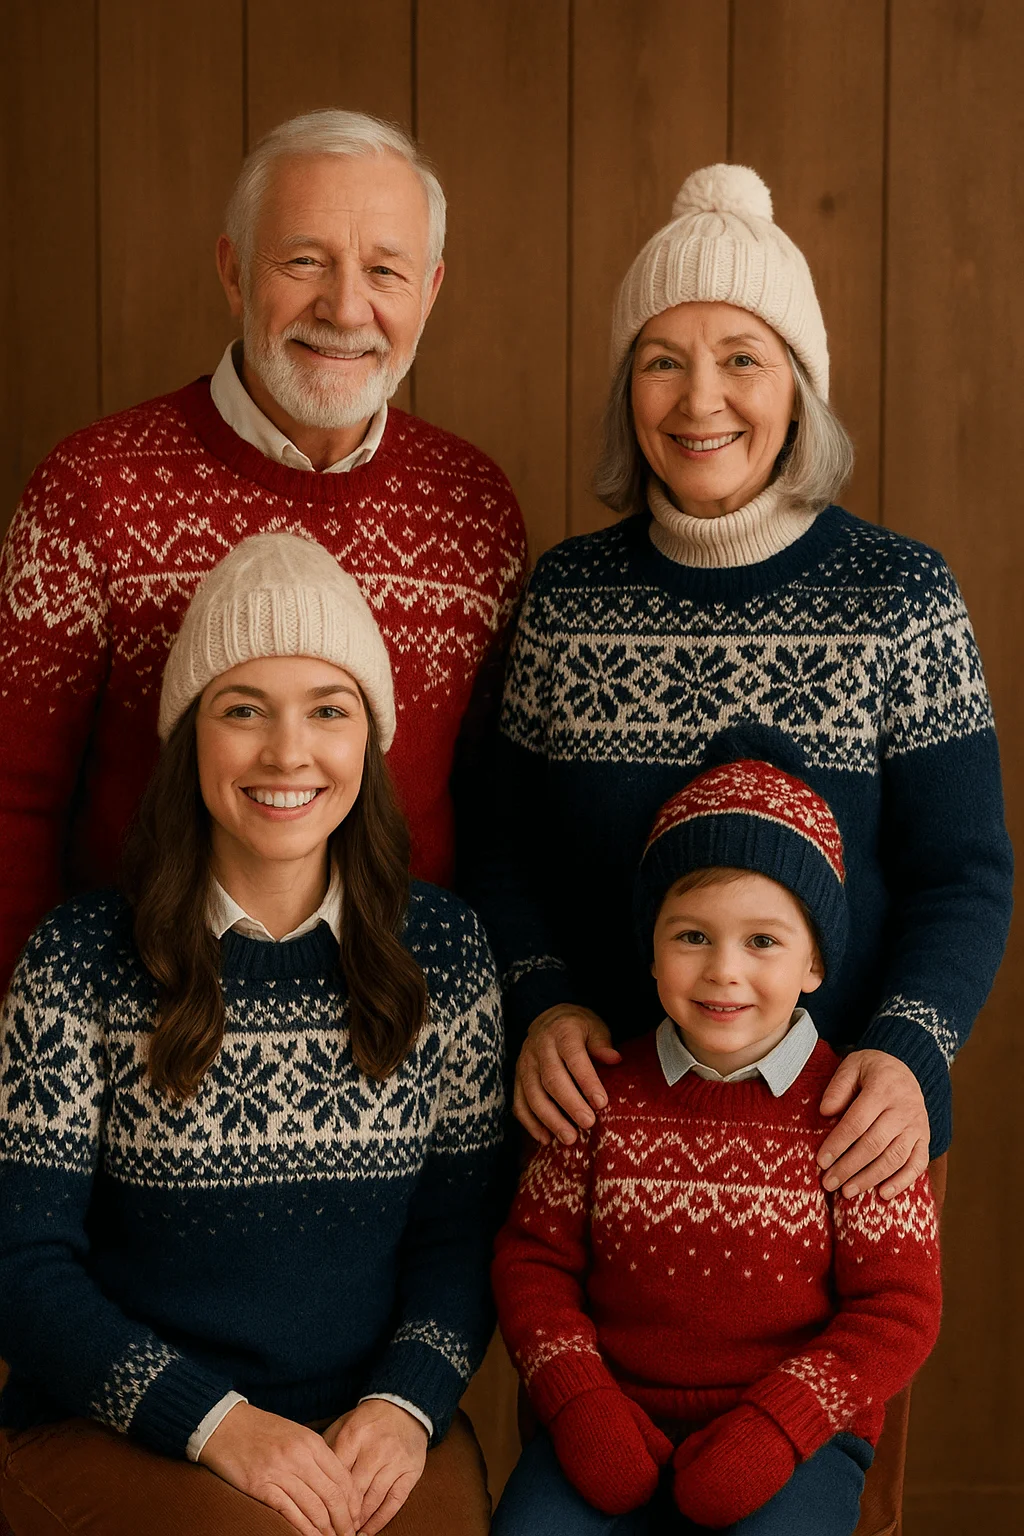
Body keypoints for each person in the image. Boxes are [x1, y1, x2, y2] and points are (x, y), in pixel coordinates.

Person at [474, 162, 1011, 1202]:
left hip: (839, 1153)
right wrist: (539, 1004)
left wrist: (907, 1056)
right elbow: (502, 853)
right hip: (599, 1157)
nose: (699, 399)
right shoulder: (570, 597)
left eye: (741, 360)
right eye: (662, 361)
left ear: (798, 386)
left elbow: (964, 873)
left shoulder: (898, 595)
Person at [0, 533, 504, 1536]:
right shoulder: (80, 959)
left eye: (329, 710)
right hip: (120, 1423)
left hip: (367, 1422)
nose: (287, 752)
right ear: (190, 736)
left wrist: (406, 1403)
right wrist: (216, 1424)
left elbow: (464, 1234)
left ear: (370, 737)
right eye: (243, 711)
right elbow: (21, 1264)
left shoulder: (441, 950)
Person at [0, 108, 527, 994]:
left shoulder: (472, 507)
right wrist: (27, 1037)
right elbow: (13, 797)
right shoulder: (92, 489)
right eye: (305, 260)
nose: (345, 308)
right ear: (235, 271)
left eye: (384, 271)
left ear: (429, 292)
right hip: (139, 1029)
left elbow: (495, 811)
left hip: (395, 1035)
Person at [491, 737, 942, 1535]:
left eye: (762, 940)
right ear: (652, 950)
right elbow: (532, 1265)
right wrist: (581, 1399)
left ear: (815, 962)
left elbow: (897, 1311)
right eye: (691, 935)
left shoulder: (857, 1113)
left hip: (797, 1439)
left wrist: (776, 1428)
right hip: (609, 1417)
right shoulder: (598, 1092)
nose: (723, 970)